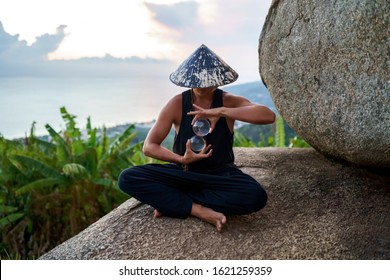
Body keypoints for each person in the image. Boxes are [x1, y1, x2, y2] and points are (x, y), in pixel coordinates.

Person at [118, 44, 275, 232]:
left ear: (218, 80)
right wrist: (181, 159)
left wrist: (222, 111)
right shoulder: (177, 103)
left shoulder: (228, 101)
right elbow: (149, 146)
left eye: (207, 80)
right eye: (196, 80)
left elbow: (268, 116)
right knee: (127, 178)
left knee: (255, 196)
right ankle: (197, 209)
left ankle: (174, 201)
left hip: (219, 174)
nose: (201, 85)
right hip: (183, 172)